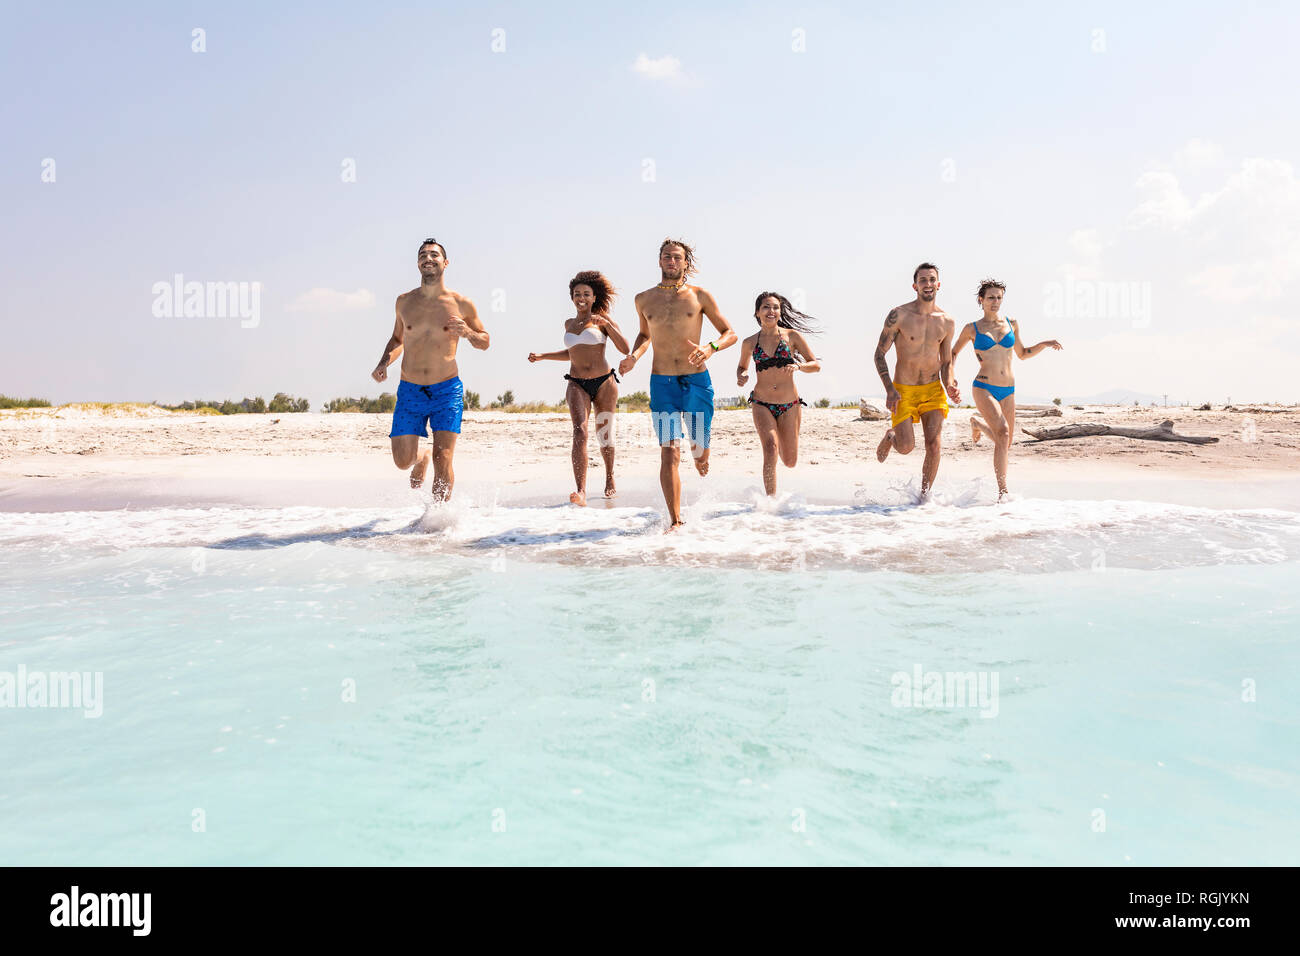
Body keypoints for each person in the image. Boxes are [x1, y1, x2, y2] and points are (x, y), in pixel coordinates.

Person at [619, 238, 737, 530]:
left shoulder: (700, 296)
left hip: (696, 380)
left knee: (699, 450)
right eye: (666, 257)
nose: (672, 261)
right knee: (669, 449)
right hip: (662, 383)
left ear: (686, 263)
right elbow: (645, 336)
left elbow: (729, 333)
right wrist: (634, 356)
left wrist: (710, 348)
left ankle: (701, 454)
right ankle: (676, 520)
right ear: (659, 261)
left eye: (677, 257)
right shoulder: (643, 299)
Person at [371, 238, 489, 500]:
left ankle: (438, 521)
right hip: (410, 390)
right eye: (423, 255)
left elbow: (485, 342)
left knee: (443, 457)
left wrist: (468, 332)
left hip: (446, 389)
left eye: (434, 255)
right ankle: (420, 456)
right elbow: (398, 339)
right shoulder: (404, 301)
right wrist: (383, 362)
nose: (428, 258)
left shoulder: (461, 303)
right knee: (403, 461)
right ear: (417, 264)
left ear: (445, 263)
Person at [951, 279, 1064, 499]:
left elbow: (1023, 353)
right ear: (981, 300)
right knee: (1002, 433)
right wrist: (952, 377)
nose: (995, 302)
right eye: (991, 297)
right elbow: (953, 353)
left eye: (999, 297)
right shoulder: (972, 328)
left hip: (1008, 390)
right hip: (984, 387)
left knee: (1006, 442)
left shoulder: (1012, 323)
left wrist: (1044, 344)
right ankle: (1003, 493)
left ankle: (977, 424)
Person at [527, 270, 630, 505]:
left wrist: (609, 327)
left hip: (604, 382)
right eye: (577, 294)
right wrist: (543, 356)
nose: (581, 298)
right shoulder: (569, 323)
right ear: (572, 297)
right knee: (579, 431)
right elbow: (571, 353)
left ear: (594, 297)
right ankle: (581, 490)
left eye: (586, 294)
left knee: (603, 434)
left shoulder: (602, 320)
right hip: (576, 383)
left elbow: (624, 348)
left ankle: (610, 479)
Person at [873, 262, 961, 497]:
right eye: (923, 280)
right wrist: (889, 389)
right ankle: (891, 437)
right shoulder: (899, 315)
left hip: (932, 390)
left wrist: (950, 383)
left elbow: (946, 362)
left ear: (938, 284)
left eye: (932, 279)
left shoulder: (947, 321)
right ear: (915, 286)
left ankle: (924, 499)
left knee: (934, 444)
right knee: (906, 447)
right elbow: (879, 354)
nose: (928, 284)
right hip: (903, 391)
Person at [735, 292, 822, 496]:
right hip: (761, 403)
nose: (771, 311)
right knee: (770, 447)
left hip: (789, 404)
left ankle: (783, 443)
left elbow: (815, 365)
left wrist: (799, 366)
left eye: (775, 307)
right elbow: (741, 366)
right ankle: (770, 503)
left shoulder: (791, 336)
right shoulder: (749, 342)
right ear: (757, 313)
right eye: (766, 307)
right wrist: (743, 374)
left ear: (780, 312)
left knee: (790, 461)